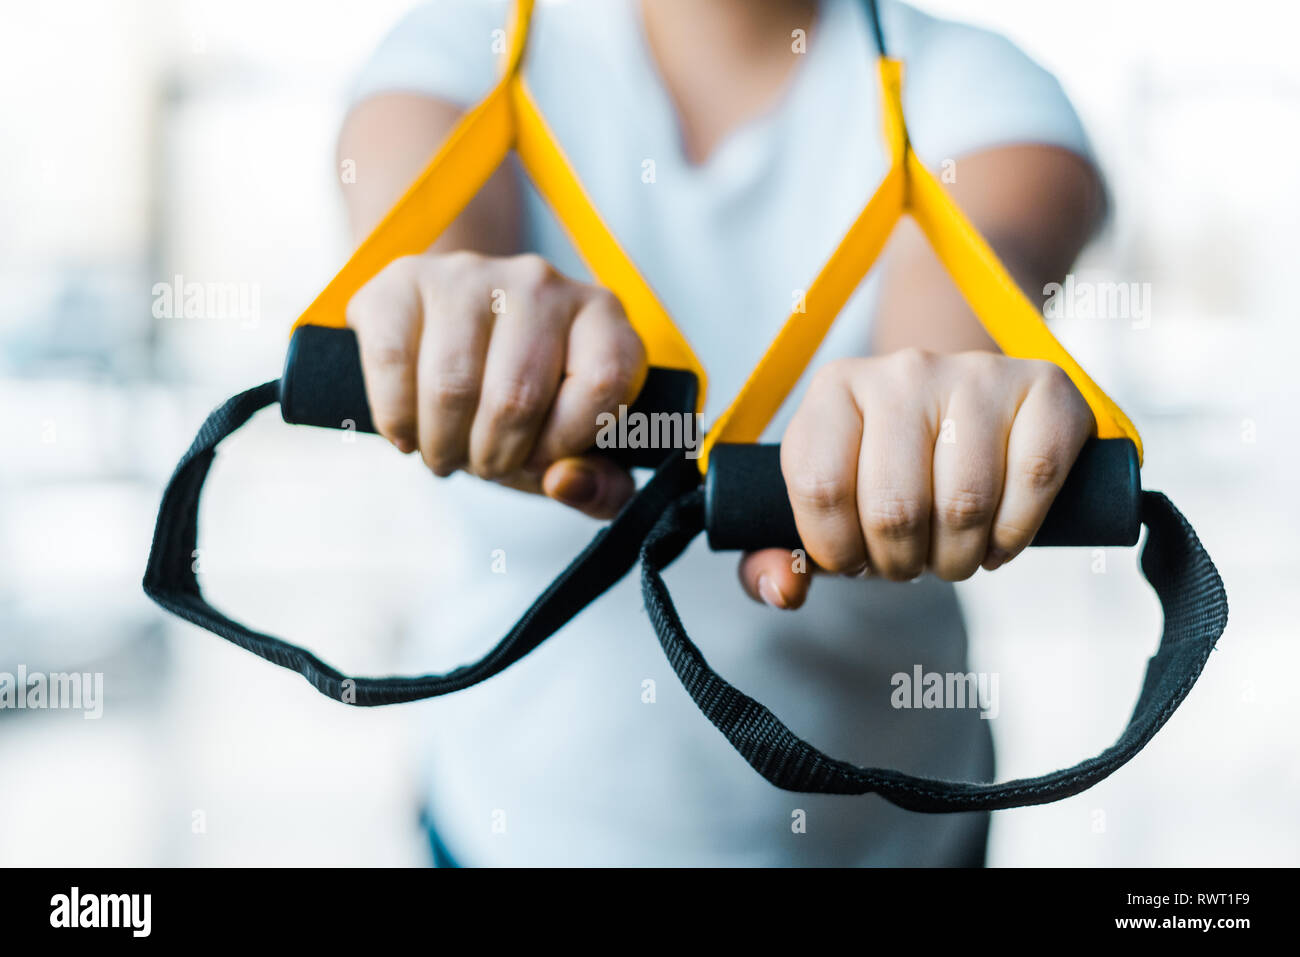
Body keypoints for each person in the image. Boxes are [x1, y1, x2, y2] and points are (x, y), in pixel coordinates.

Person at [338, 0, 1106, 866]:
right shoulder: (455, 49)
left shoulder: (978, 88)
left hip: (892, 839)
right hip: (509, 823)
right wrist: (454, 308)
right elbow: (429, 233)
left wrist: (935, 405)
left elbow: (964, 291)